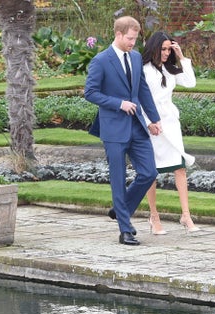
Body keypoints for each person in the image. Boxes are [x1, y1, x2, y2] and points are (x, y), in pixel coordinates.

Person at [85, 16, 162, 246]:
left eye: (135, 39)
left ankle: (121, 209)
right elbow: (90, 93)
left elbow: (142, 90)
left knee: (149, 172)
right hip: (113, 129)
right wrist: (119, 103)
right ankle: (125, 230)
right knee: (118, 180)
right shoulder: (101, 61)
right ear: (118, 34)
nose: (133, 43)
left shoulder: (136, 57)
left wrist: (153, 119)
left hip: (137, 126)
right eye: (129, 38)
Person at [140, 31, 199, 234]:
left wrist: (181, 56)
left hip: (171, 124)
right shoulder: (144, 70)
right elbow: (140, 99)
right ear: (154, 48)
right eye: (163, 49)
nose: (166, 53)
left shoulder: (170, 69)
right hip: (153, 125)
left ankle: (186, 215)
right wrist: (149, 123)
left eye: (168, 49)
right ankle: (154, 217)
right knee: (151, 173)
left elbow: (190, 82)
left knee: (180, 168)